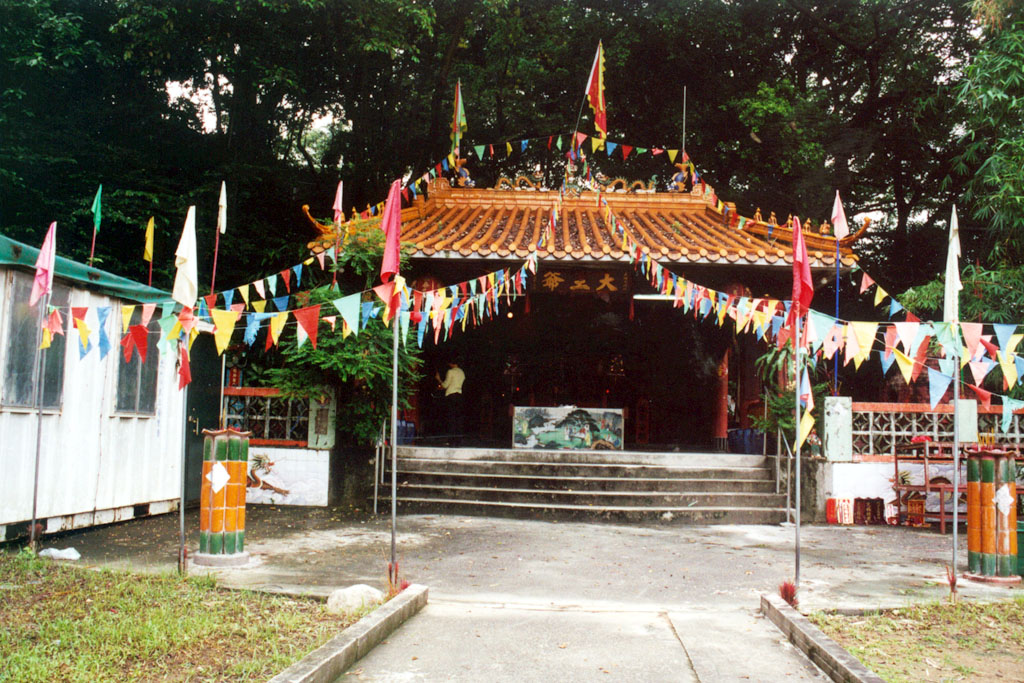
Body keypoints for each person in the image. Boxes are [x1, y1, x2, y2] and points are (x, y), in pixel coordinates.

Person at [436, 360, 466, 443]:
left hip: (451, 395)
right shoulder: (462, 372)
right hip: (459, 395)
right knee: (458, 418)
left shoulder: (450, 371)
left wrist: (439, 380)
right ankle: (458, 439)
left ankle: (451, 439)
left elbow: (445, 385)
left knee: (451, 418)